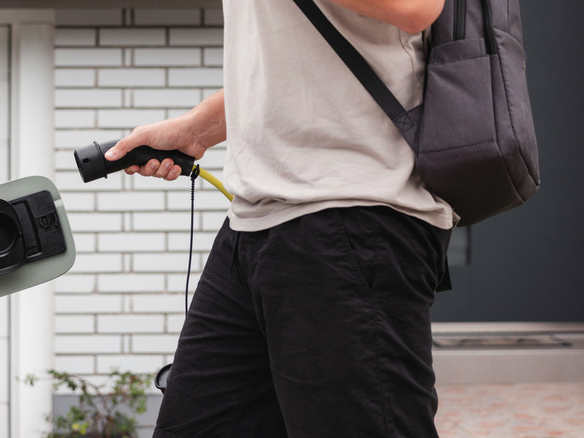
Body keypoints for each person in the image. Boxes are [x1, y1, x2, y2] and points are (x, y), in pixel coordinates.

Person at [106, 0, 454, 436]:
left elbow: (414, 6)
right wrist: (196, 129)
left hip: (352, 212)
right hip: (253, 222)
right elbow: (289, 61)